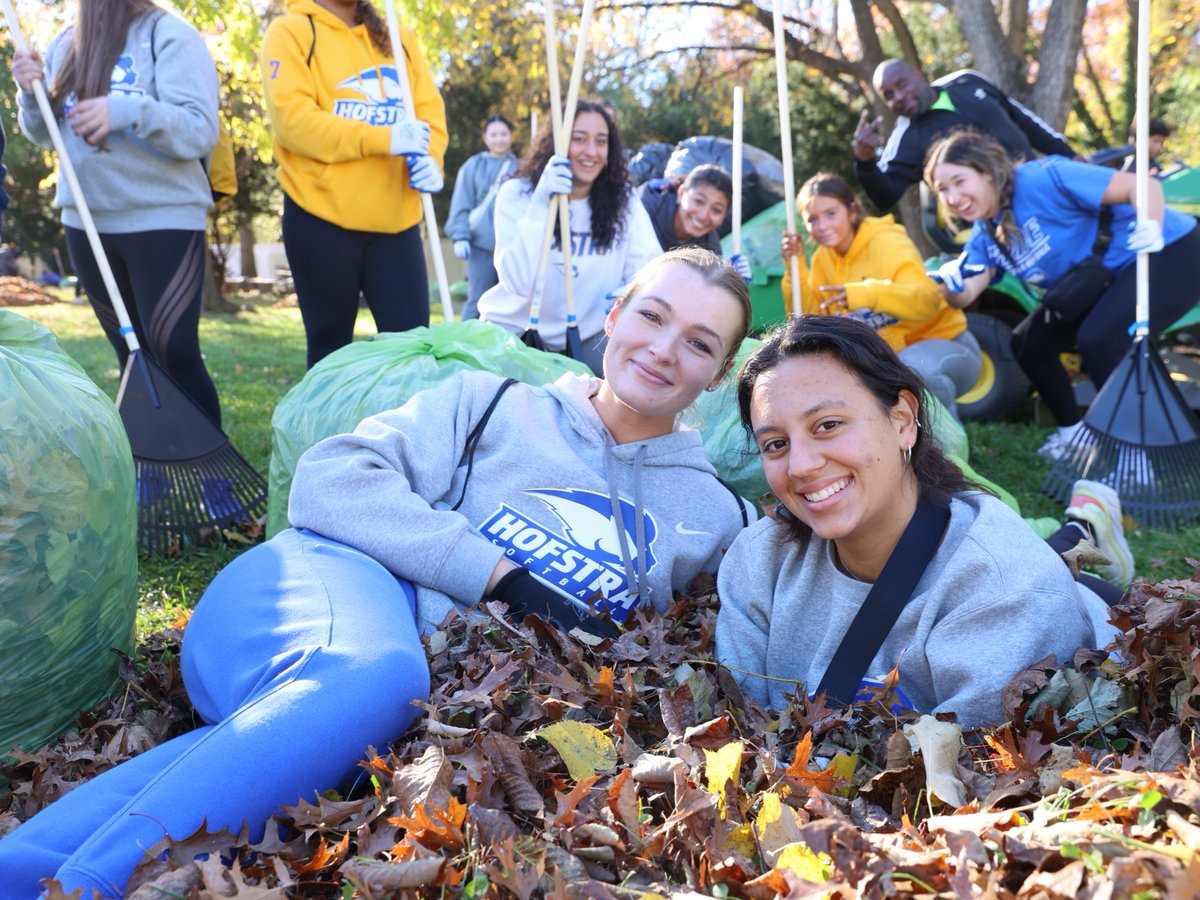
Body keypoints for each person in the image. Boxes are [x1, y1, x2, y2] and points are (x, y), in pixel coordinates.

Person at [0, 247, 756, 898]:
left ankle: (23, 871)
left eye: (698, 343)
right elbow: (328, 479)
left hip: (393, 703)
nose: (663, 350)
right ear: (616, 312)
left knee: (313, 732)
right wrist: (499, 575)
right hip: (329, 587)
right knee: (373, 676)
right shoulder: (494, 404)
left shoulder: (716, 514)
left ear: (719, 374)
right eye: (651, 316)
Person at [715, 315, 1120, 726]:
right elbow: (747, 736)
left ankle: (1085, 529)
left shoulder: (1007, 597)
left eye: (828, 425)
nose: (800, 465)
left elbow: (980, 775)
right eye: (776, 444)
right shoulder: (758, 562)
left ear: (903, 420)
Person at [924, 129, 1200, 457]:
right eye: (942, 190)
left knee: (1099, 340)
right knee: (1028, 343)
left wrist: (1151, 225)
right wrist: (950, 284)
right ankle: (1075, 439)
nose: (952, 197)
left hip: (1169, 250)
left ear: (986, 173)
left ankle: (1137, 454)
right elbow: (967, 294)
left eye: (959, 182)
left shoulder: (1042, 178)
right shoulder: (984, 236)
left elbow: (1145, 186)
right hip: (1104, 278)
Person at [11, 0, 223, 425]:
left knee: (174, 351)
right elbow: (45, 135)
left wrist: (126, 111)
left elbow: (201, 131)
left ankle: (212, 478)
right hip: (87, 221)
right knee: (130, 354)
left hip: (163, 219)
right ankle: (155, 466)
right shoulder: (65, 44)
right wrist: (30, 94)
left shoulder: (169, 36)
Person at [262, 0, 448, 369]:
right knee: (330, 349)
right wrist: (385, 138)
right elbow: (294, 122)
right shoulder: (290, 31)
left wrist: (433, 158)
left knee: (412, 351)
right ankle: (328, 428)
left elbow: (430, 115)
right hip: (320, 217)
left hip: (397, 222)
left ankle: (407, 429)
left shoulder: (400, 38)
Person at [478, 99, 660, 375]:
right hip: (516, 335)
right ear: (556, 142)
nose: (591, 151)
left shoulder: (625, 201)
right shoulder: (517, 194)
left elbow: (650, 270)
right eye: (578, 139)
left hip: (589, 338)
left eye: (601, 141)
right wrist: (541, 203)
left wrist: (633, 291)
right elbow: (517, 281)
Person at [778, 172, 981, 419]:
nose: (822, 226)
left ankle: (946, 453)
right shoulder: (822, 259)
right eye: (812, 219)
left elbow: (926, 301)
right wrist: (795, 265)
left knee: (911, 372)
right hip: (885, 361)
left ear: (852, 210)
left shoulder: (887, 241)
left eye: (831, 214)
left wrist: (867, 293)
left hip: (947, 344)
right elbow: (809, 319)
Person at [853, 61, 1075, 212]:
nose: (899, 96)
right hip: (1001, 219)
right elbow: (885, 196)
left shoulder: (967, 81)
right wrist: (864, 161)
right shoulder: (907, 138)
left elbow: (1024, 121)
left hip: (1044, 185)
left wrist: (1072, 157)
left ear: (917, 74)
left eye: (901, 84)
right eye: (889, 95)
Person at [445, 113, 518, 319]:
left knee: (512, 300)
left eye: (503, 134)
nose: (499, 139)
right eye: (493, 134)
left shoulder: (522, 166)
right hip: (481, 246)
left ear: (511, 136)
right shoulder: (473, 166)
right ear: (485, 137)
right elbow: (462, 201)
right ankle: (463, 346)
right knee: (478, 298)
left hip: (512, 246)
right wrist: (460, 236)